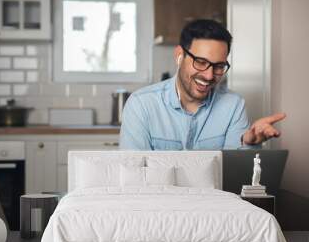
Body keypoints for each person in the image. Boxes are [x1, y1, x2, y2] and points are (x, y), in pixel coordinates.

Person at [119, 19, 285, 150]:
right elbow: (135, 176)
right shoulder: (141, 104)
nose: (209, 75)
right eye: (200, 62)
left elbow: (235, 178)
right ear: (179, 55)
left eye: (219, 66)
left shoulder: (234, 105)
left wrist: (249, 144)